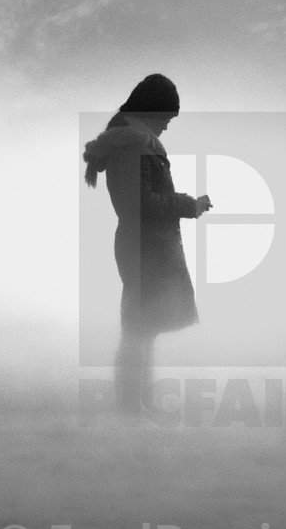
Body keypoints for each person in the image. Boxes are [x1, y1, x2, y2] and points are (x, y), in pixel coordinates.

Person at [82, 74, 212, 415]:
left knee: (145, 328)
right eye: (167, 119)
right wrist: (188, 205)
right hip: (143, 247)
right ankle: (131, 410)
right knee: (138, 329)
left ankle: (139, 405)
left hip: (149, 246)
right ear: (152, 113)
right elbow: (138, 205)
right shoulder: (135, 147)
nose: (168, 127)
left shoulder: (138, 144)